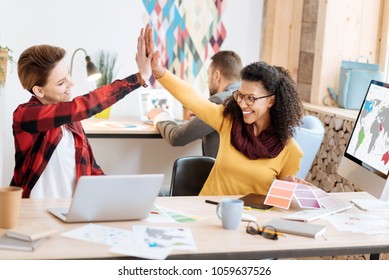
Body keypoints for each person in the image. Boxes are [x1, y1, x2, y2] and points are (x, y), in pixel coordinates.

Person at [144, 24, 304, 195]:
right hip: (206, 210)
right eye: (240, 96)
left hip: (249, 221)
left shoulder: (290, 151)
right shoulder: (228, 121)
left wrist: (288, 189)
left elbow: (279, 203)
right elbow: (193, 98)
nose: (242, 104)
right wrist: (158, 71)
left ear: (271, 101)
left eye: (250, 98)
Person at [11, 28, 152, 199]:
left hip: (70, 212)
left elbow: (90, 168)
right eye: (62, 82)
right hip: (33, 215)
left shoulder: (72, 124)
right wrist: (139, 78)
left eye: (68, 74)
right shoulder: (25, 116)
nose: (71, 83)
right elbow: (82, 106)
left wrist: (120, 194)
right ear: (39, 91)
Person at [147, 51, 242, 158]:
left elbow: (177, 137)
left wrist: (160, 116)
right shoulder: (245, 99)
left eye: (208, 75)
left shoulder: (221, 101)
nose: (207, 82)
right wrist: (198, 119)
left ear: (216, 76)